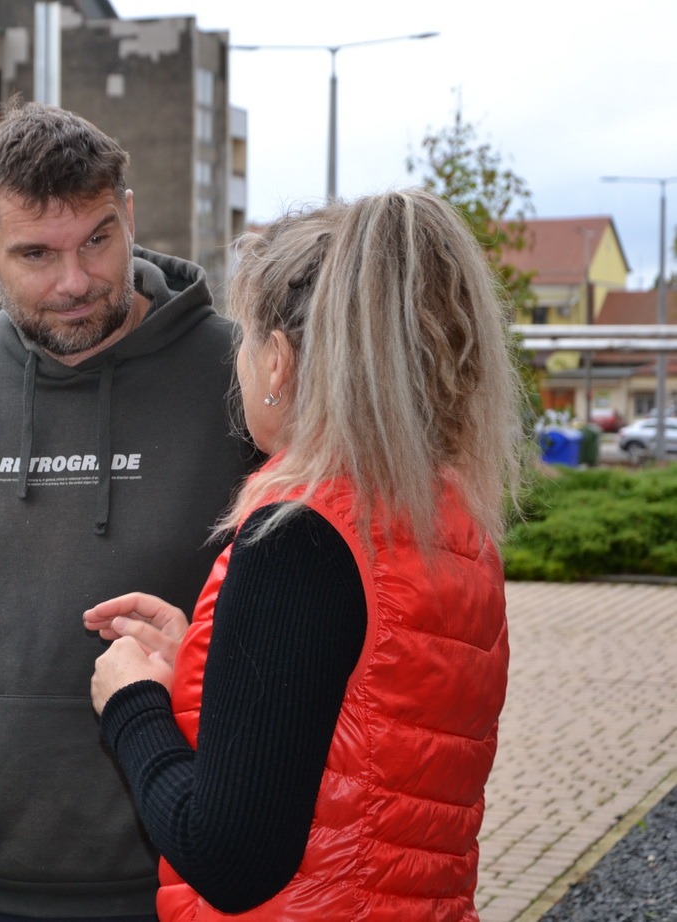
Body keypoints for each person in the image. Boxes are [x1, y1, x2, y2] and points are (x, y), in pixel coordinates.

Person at [85, 188, 529, 921]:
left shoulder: (299, 537)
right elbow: (362, 734)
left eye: (246, 342)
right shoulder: (448, 522)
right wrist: (205, 661)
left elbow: (232, 860)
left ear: (279, 363)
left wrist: (131, 703)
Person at [0, 100, 255, 921]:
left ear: (129, 219)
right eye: (36, 254)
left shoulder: (240, 380)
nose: (74, 281)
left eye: (97, 240)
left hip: (176, 879)